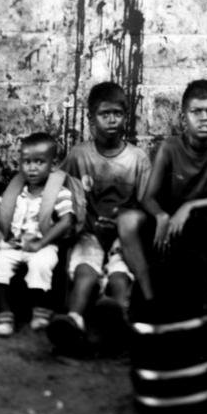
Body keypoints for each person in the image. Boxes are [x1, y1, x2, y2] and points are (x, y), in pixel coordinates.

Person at [119, 79, 207, 334]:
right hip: (174, 226)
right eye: (196, 111)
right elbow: (148, 197)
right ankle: (148, 301)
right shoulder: (170, 147)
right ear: (183, 116)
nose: (204, 118)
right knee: (127, 220)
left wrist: (190, 206)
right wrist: (162, 217)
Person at [46, 82, 151, 355]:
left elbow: (144, 203)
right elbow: (57, 188)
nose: (112, 120)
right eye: (105, 114)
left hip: (121, 239)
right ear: (92, 119)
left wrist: (123, 222)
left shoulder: (137, 159)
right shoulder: (80, 155)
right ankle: (74, 320)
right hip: (89, 233)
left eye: (117, 113)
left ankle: (120, 322)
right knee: (85, 273)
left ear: (126, 116)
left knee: (119, 278)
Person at [0, 132, 79, 337]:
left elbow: (67, 220)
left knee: (41, 266)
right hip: (14, 244)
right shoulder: (16, 191)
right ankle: (4, 314)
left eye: (39, 162)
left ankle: (40, 311)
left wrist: (41, 243)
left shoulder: (60, 193)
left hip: (43, 245)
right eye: (27, 162)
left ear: (52, 165)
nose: (32, 168)